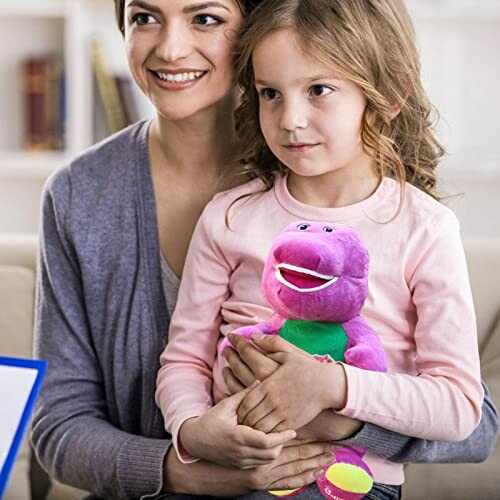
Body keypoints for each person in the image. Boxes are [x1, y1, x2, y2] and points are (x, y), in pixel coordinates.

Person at [31, 0, 497, 499]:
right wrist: (188, 458)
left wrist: (334, 411)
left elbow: (472, 422)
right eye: (144, 17)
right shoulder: (92, 197)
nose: (170, 48)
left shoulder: (407, 217)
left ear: (249, 28)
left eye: (206, 17)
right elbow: (60, 426)